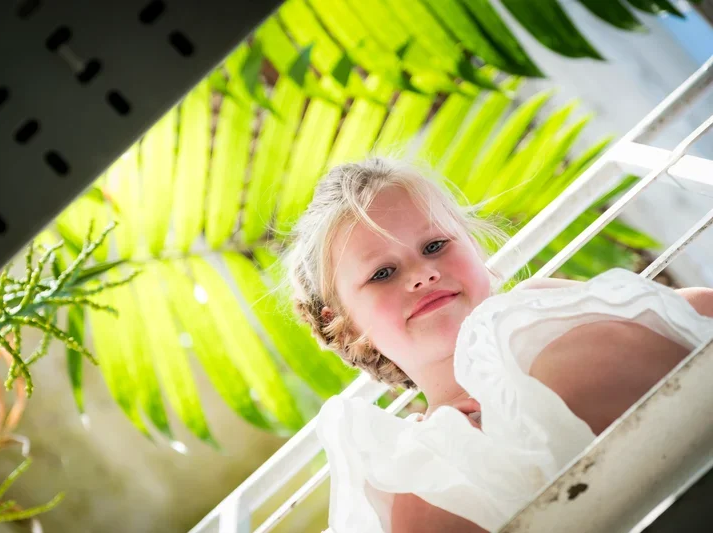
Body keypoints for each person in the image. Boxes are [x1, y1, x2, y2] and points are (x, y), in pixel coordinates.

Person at [283, 157, 713, 533]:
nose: (422, 274)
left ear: (474, 248)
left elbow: (695, 311)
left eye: (435, 245)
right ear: (344, 325)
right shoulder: (417, 466)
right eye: (382, 273)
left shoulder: (541, 306)